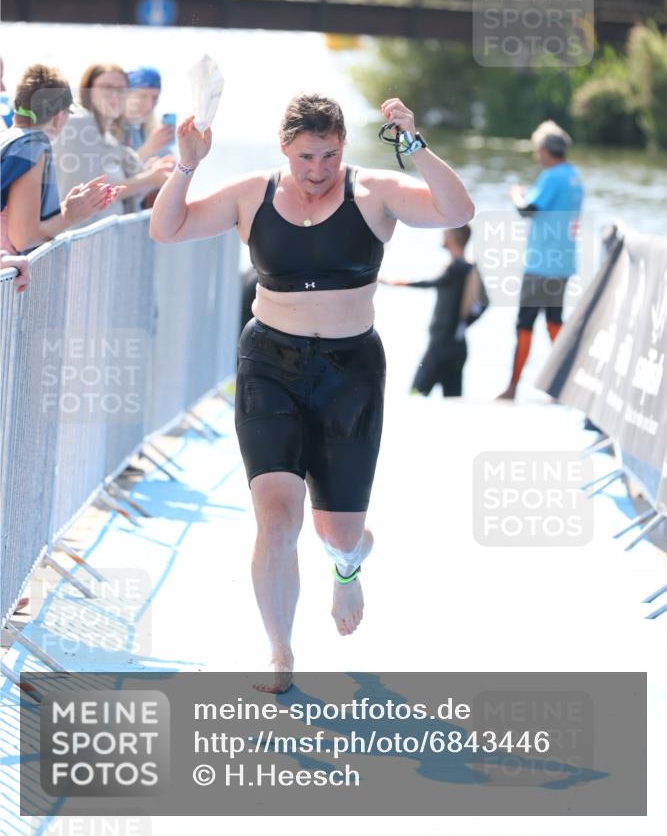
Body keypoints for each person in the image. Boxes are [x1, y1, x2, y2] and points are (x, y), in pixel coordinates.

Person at [149, 93, 475, 692]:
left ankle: (347, 565)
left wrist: (413, 142)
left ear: (344, 148)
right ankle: (280, 651)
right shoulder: (252, 193)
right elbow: (166, 229)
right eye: (305, 157)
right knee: (276, 519)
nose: (318, 169)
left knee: (338, 533)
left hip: (349, 374)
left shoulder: (375, 193)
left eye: (329, 155)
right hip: (269, 364)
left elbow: (457, 210)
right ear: (284, 149)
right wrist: (188, 165)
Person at [497, 120, 584, 401]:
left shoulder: (552, 176)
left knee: (525, 322)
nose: (537, 155)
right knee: (554, 320)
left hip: (541, 264)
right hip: (563, 262)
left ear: (546, 150)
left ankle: (512, 388)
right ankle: (568, 384)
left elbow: (528, 209)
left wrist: (515, 194)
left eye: (538, 149)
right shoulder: (574, 176)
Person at [0, 63, 120, 255]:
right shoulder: (32, 147)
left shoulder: (7, 138)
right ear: (58, 117)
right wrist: (70, 215)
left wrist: (67, 206)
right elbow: (22, 237)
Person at [52, 63, 172, 223]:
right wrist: (149, 178)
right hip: (82, 241)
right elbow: (91, 191)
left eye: (121, 90)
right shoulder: (79, 124)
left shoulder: (109, 137)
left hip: (104, 241)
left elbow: (119, 191)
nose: (115, 96)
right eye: (106, 88)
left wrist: (150, 174)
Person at [382, 224, 487, 397]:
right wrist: (462, 324)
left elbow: (430, 283)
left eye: (445, 234)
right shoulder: (470, 269)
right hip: (458, 347)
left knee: (415, 394)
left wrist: (393, 283)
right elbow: (484, 304)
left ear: (453, 238)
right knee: (453, 401)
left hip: (440, 347)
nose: (442, 237)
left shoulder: (456, 269)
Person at [123, 66, 176, 210]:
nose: (149, 104)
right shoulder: (111, 129)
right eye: (142, 96)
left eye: (155, 97)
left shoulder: (147, 129)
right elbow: (114, 178)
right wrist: (148, 148)